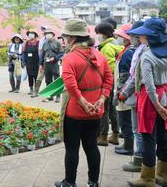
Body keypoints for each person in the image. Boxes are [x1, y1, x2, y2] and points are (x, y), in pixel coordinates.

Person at [55, 19, 113, 187]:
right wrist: (101, 99)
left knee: (72, 149)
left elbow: (70, 84)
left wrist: (82, 101)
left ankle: (70, 182)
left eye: (65, 37)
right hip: (96, 110)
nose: (64, 40)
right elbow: (108, 79)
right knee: (92, 147)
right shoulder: (99, 55)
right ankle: (93, 182)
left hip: (75, 111)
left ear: (72, 38)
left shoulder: (70, 57)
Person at [126, 18, 167, 187]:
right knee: (164, 137)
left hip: (150, 101)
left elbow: (148, 86)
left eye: (143, 35)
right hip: (164, 98)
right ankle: (162, 176)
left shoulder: (147, 56)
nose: (140, 37)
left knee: (148, 137)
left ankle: (147, 178)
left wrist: (158, 106)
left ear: (150, 37)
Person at [118, 21, 146, 172]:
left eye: (133, 35)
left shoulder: (142, 51)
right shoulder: (140, 49)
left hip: (140, 93)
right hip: (140, 93)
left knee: (139, 129)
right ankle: (142, 159)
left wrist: (123, 91)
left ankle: (139, 159)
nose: (131, 38)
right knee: (139, 129)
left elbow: (135, 76)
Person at [95, 22, 123, 146]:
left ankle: (103, 136)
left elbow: (105, 68)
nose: (97, 36)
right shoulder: (117, 44)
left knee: (104, 109)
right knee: (113, 108)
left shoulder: (106, 48)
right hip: (116, 81)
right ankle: (115, 135)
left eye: (98, 33)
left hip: (107, 81)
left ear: (104, 34)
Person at [112, 23, 135, 156]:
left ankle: (128, 147)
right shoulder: (126, 50)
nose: (118, 38)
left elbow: (124, 76)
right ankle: (127, 144)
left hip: (124, 93)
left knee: (125, 119)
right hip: (124, 91)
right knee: (125, 119)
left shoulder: (127, 53)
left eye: (120, 36)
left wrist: (120, 93)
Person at [40, 28, 64, 103]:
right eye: (46, 34)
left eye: (49, 33)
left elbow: (61, 52)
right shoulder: (44, 43)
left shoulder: (57, 42)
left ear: (53, 34)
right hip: (46, 64)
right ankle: (50, 96)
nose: (47, 35)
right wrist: (40, 64)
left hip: (54, 64)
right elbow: (42, 55)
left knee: (56, 80)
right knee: (48, 80)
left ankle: (58, 96)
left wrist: (55, 58)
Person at [31, 25, 48, 98]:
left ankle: (50, 94)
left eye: (45, 29)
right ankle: (36, 92)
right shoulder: (41, 40)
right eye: (42, 30)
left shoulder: (54, 41)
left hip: (52, 63)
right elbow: (40, 52)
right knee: (39, 78)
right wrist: (40, 63)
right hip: (43, 61)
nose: (43, 31)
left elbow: (59, 52)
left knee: (50, 79)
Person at [22, 30, 39, 95]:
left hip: (36, 62)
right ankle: (31, 89)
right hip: (28, 62)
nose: (30, 35)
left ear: (35, 35)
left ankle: (36, 89)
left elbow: (40, 53)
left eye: (32, 34)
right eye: (29, 34)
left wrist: (40, 63)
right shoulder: (26, 43)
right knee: (30, 76)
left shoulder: (38, 43)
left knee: (36, 76)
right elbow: (23, 52)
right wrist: (23, 61)